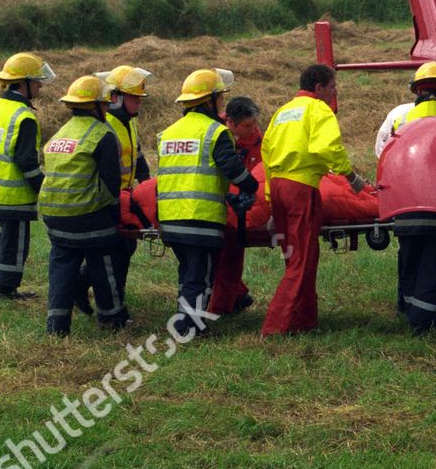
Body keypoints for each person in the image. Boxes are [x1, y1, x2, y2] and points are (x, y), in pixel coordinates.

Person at [260, 64, 366, 336]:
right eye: (332, 87)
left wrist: (272, 202)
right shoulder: (318, 109)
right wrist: (350, 175)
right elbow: (326, 147)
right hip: (302, 187)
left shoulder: (282, 113)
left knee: (295, 256)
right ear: (318, 87)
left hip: (280, 188)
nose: (335, 92)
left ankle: (305, 320)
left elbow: (267, 155)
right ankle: (275, 326)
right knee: (302, 259)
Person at [156, 69, 260, 336]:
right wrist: (251, 185)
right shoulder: (216, 132)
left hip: (169, 217)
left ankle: (186, 319)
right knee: (200, 277)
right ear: (209, 101)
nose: (222, 105)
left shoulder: (169, 133)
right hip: (200, 217)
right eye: (219, 99)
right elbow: (232, 169)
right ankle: (188, 327)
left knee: (187, 273)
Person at [40, 75, 129, 335]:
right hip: (90, 217)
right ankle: (112, 320)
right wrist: (112, 213)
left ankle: (56, 326)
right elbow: (112, 184)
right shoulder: (102, 134)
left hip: (55, 217)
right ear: (97, 106)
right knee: (105, 262)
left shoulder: (61, 133)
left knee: (62, 269)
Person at [386, 62, 436, 335]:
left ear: (416, 91)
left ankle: (406, 306)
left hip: (407, 204)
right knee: (433, 262)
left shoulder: (402, 120)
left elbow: (390, 158)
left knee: (409, 256)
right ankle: (423, 323)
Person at [0, 52, 54, 301]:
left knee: (6, 232)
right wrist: (44, 189)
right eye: (36, 81)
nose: (40, 85)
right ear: (23, 83)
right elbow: (27, 163)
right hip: (13, 195)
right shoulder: (24, 117)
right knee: (16, 242)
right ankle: (6, 289)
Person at [93, 64, 152, 309]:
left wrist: (148, 184)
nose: (139, 103)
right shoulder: (107, 125)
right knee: (116, 250)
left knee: (126, 246)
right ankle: (102, 295)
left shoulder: (130, 121)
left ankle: (112, 294)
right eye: (134, 98)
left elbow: (136, 156)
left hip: (124, 196)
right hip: (107, 197)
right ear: (116, 97)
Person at [210, 95, 264, 314]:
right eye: (247, 125)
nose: (252, 129)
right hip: (214, 201)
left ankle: (230, 300)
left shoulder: (257, 140)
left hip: (240, 205)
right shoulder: (214, 133)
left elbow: (260, 173)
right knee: (218, 258)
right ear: (231, 122)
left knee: (231, 255)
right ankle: (231, 298)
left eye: (254, 124)